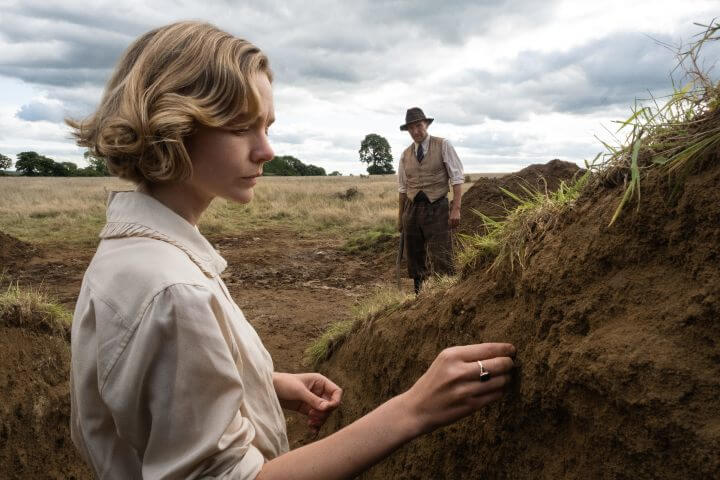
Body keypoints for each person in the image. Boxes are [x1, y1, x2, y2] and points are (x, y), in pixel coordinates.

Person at [68, 21, 515, 480]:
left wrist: (261, 383)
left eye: (267, 126)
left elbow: (150, 395)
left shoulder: (131, 252)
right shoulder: (172, 291)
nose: (266, 150)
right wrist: (414, 410)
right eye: (242, 127)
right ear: (173, 124)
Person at [397, 107, 465, 294]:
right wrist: (400, 217)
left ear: (426, 124)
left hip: (437, 207)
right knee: (414, 256)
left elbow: (457, 178)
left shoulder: (443, 145)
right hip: (412, 210)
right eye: (411, 128)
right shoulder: (405, 154)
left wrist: (456, 209)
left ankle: (447, 293)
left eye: (418, 126)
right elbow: (403, 189)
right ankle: (420, 296)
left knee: (442, 253)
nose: (415, 132)